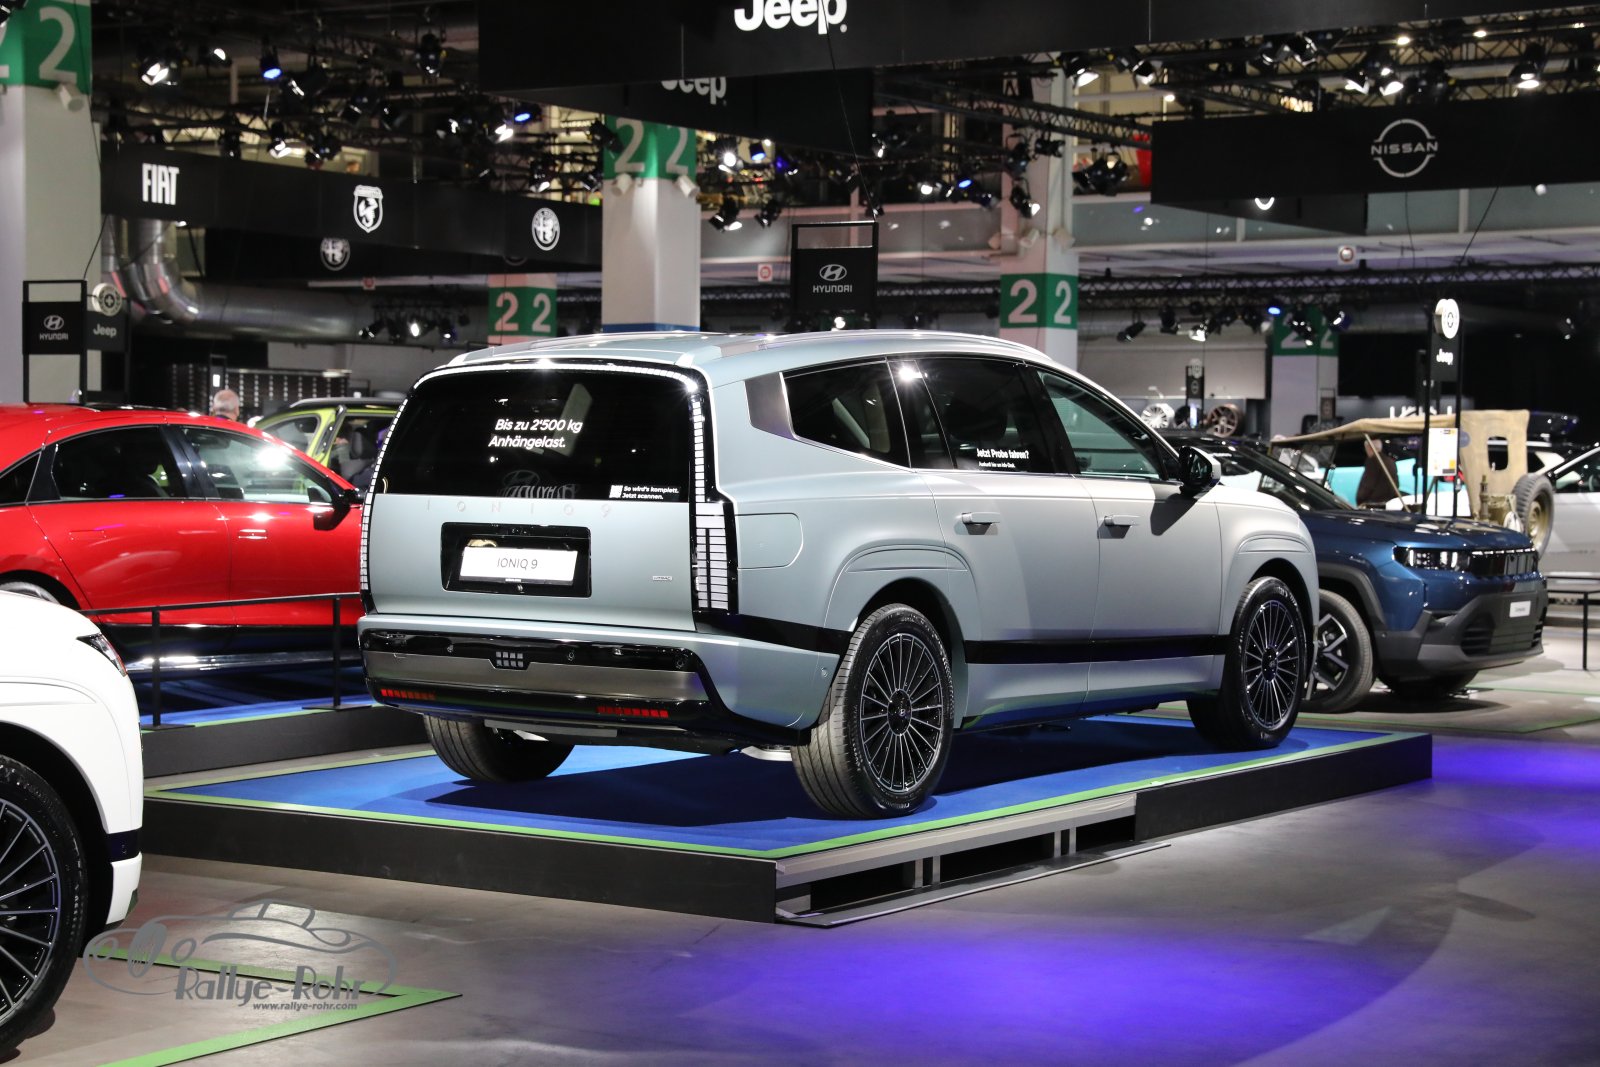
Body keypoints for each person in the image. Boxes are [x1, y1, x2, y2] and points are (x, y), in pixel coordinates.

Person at [1356, 437, 1399, 507]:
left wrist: (1360, 500)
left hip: (1373, 504)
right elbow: (1396, 484)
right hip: (1388, 503)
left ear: (1370, 448)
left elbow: (1368, 485)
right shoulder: (1390, 461)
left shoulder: (1373, 461)